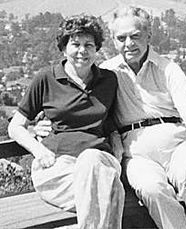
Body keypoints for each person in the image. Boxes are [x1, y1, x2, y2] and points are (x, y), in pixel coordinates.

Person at [33, 6, 186, 229]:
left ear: (148, 36)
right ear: (113, 40)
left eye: (135, 36)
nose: (129, 43)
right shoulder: (106, 73)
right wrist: (39, 126)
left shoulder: (168, 69)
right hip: (136, 153)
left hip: (176, 145)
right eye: (121, 38)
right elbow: (75, 105)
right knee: (152, 189)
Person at [8, 14, 125, 229]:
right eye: (75, 44)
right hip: (57, 167)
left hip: (99, 161)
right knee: (107, 191)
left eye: (89, 45)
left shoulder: (109, 80)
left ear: (97, 48)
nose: (82, 50)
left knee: (92, 164)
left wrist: (117, 142)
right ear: (64, 48)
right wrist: (38, 150)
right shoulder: (46, 78)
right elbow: (15, 126)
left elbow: (112, 121)